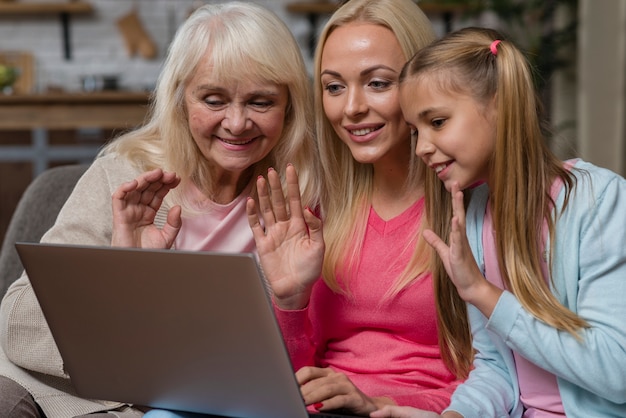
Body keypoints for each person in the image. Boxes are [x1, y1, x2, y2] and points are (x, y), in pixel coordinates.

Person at [0, 2, 319, 417]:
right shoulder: (122, 175)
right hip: (64, 396)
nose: (237, 123)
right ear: (181, 99)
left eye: (260, 102)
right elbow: (17, 323)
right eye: (214, 99)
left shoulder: (303, 199)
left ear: (289, 107)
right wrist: (119, 273)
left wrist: (290, 299)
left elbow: (294, 366)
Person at [372, 26, 626, 418]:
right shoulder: (474, 218)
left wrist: (483, 293)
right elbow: (497, 370)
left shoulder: (598, 201)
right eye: (414, 132)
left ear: (500, 106)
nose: (421, 147)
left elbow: (617, 371)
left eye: (437, 122)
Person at [247, 0, 466, 416]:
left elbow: (499, 381)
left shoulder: (468, 208)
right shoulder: (316, 209)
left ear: (424, 84)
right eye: (334, 87)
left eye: (378, 83)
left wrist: (380, 403)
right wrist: (290, 302)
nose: (351, 108)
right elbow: (289, 383)